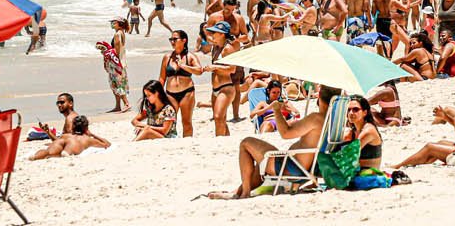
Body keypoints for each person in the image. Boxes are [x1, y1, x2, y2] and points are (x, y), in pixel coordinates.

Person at [210, 85, 342, 198]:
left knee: (246, 143)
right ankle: (236, 192)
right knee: (260, 159)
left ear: (319, 97)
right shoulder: (334, 121)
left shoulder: (316, 118)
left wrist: (277, 110)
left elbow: (285, 133)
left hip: (290, 169)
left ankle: (244, 193)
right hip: (306, 168)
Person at [158, 30, 202, 137]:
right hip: (170, 94)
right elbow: (162, 78)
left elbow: (199, 70)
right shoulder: (167, 57)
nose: (172, 41)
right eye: (171, 39)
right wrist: (158, 93)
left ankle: (187, 142)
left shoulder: (190, 56)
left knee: (186, 122)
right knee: (169, 122)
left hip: (186, 93)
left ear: (184, 40)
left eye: (175, 39)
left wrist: (183, 66)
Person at [31, 114, 110, 159]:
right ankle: (66, 152)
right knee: (67, 151)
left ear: (73, 126)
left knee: (48, 152)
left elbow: (56, 140)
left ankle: (35, 156)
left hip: (63, 140)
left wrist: (49, 132)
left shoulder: (66, 136)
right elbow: (106, 144)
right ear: (86, 127)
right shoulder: (87, 139)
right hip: (74, 145)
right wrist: (92, 134)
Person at [344, 95, 384, 176]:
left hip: (368, 175)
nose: (351, 113)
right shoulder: (352, 132)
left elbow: (350, 153)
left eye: (355, 109)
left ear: (365, 112)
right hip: (357, 172)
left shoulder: (368, 131)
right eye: (348, 110)